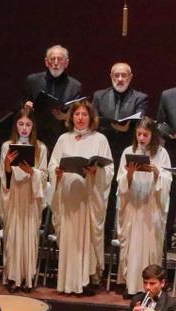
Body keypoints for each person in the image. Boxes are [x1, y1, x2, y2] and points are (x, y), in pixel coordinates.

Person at [48, 100, 113, 295]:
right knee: (70, 240)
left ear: (91, 118)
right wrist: (57, 172)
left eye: (85, 114)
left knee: (85, 239)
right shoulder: (63, 139)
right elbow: (51, 165)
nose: (81, 118)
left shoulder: (100, 139)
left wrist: (95, 171)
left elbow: (109, 169)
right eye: (77, 114)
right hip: (68, 198)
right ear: (71, 117)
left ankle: (85, 281)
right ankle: (67, 282)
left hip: (87, 199)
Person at [116, 118, 171, 296]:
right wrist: (130, 174)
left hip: (151, 208)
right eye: (139, 134)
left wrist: (157, 174)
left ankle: (150, 287)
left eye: (145, 135)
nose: (141, 138)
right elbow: (121, 183)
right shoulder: (128, 151)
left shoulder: (162, 154)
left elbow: (167, 180)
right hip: (134, 206)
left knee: (150, 246)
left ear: (152, 135)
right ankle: (132, 285)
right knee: (132, 247)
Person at [0, 107, 49, 291]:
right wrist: (7, 165)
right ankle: (12, 278)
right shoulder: (6, 146)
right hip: (14, 197)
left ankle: (27, 278)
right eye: (21, 124)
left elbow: (44, 175)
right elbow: (4, 178)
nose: (24, 128)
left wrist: (31, 172)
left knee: (28, 237)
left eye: (28, 124)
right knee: (13, 237)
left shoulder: (40, 148)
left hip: (30, 197)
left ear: (33, 126)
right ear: (16, 126)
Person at [22, 45, 81, 151]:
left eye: (60, 59)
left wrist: (66, 116)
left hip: (62, 135)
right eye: (52, 59)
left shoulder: (75, 85)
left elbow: (78, 112)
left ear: (66, 63)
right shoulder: (32, 80)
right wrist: (26, 106)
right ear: (46, 62)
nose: (56, 62)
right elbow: (19, 103)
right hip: (36, 134)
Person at [92, 62, 148, 160]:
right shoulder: (99, 96)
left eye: (124, 75)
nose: (120, 79)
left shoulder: (140, 98)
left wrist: (128, 128)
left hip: (130, 147)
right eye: (116, 75)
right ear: (111, 76)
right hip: (104, 147)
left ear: (130, 77)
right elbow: (93, 122)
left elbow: (141, 123)